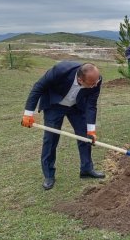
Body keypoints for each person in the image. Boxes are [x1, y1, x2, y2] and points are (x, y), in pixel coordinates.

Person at [21, 61, 105, 190]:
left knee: (85, 137)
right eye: (91, 84)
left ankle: (86, 169)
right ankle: (49, 175)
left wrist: (91, 130)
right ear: (80, 79)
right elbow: (38, 87)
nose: (95, 86)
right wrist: (28, 114)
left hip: (76, 106)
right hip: (55, 104)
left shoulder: (96, 81)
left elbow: (91, 105)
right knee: (51, 139)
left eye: (96, 82)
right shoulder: (60, 71)